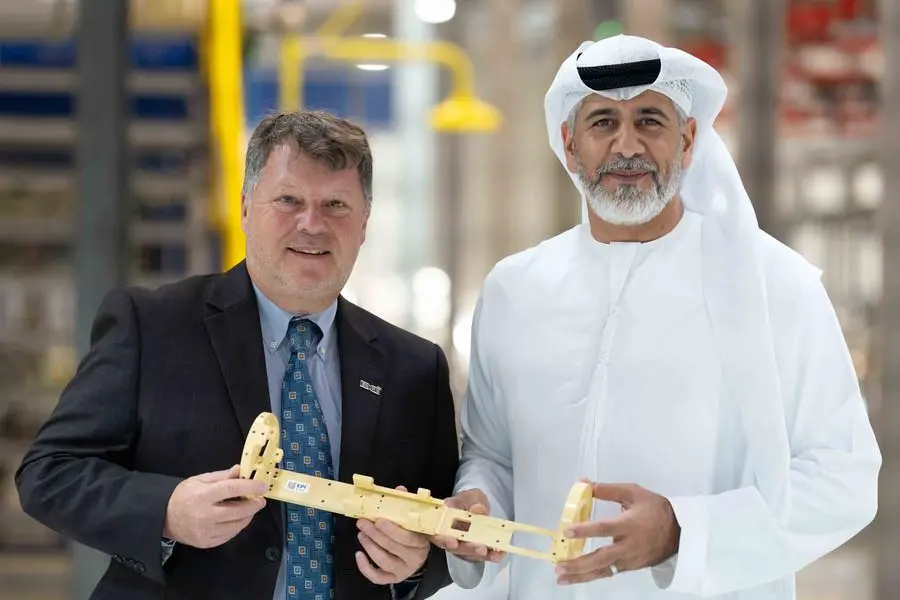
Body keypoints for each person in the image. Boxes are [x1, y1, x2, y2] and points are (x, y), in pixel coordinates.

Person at [434, 35, 881, 600]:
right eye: (603, 123)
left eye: (650, 120)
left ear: (688, 140)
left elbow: (843, 477)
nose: (627, 146)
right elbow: (493, 455)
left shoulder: (775, 287)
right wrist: (479, 506)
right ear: (569, 144)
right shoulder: (514, 290)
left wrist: (681, 531)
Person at [16, 110, 460, 600]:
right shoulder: (152, 325)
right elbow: (50, 472)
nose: (312, 224)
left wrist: (416, 564)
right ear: (246, 208)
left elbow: (443, 528)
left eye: (336, 204)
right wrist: (166, 511)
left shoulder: (415, 368)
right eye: (288, 200)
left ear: (364, 224)